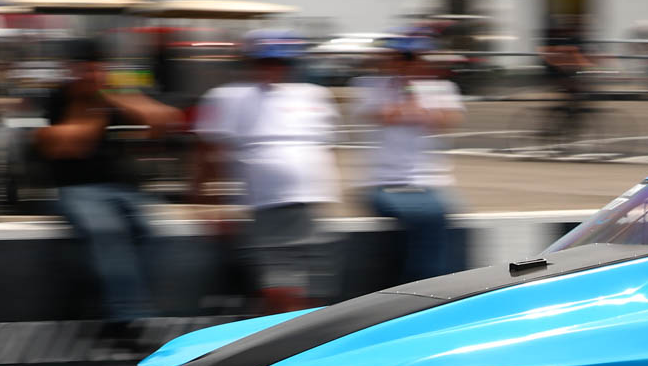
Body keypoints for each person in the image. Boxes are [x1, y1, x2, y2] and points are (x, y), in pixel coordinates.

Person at [35, 38, 178, 343]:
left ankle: (117, 306)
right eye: (85, 69)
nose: (91, 75)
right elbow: (68, 146)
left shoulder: (112, 96)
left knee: (148, 232)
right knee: (107, 231)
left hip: (121, 188)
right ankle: (125, 319)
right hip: (77, 188)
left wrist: (117, 98)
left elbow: (162, 119)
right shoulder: (59, 98)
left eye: (97, 69)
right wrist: (91, 110)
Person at [192, 32, 341, 314]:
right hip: (274, 202)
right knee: (285, 282)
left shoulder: (313, 94)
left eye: (280, 62)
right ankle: (290, 338)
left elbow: (327, 147)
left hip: (306, 203)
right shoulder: (230, 97)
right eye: (266, 62)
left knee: (301, 283)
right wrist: (208, 203)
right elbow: (207, 152)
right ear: (251, 62)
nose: (273, 69)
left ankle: (294, 340)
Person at [350, 34, 467, 282]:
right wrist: (412, 101)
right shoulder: (371, 85)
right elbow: (385, 115)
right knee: (426, 217)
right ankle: (424, 281)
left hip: (428, 181)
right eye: (399, 59)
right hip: (384, 181)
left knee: (440, 218)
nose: (404, 64)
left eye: (410, 59)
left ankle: (429, 280)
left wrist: (412, 96)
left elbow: (448, 119)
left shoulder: (442, 88)